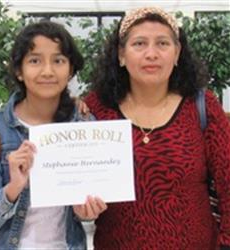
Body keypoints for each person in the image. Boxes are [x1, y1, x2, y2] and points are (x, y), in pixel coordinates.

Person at [84, 7, 230, 249]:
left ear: (177, 54)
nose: (151, 54)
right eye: (139, 44)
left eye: (162, 43)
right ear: (121, 55)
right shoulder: (97, 109)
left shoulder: (202, 106)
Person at [0, 20, 107, 249]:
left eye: (58, 60)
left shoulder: (83, 124)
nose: (47, 71)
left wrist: (86, 213)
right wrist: (13, 188)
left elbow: (89, 209)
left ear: (70, 70)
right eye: (35, 60)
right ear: (18, 71)